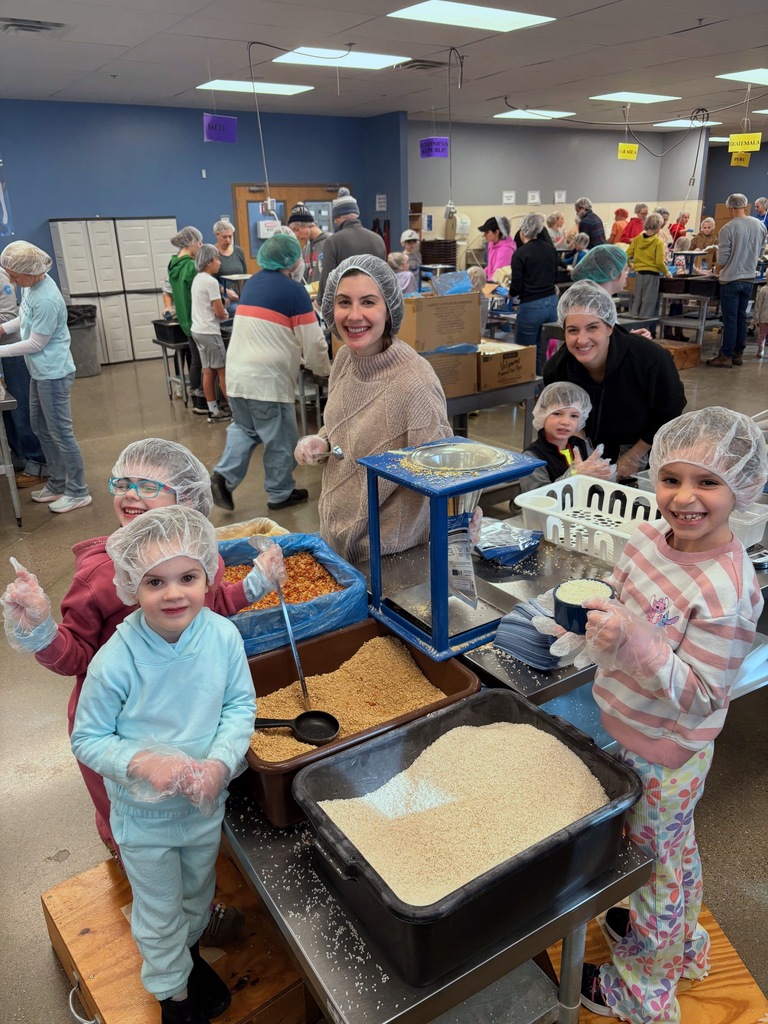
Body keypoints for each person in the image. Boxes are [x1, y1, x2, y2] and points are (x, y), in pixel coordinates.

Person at [1, 436, 283, 872]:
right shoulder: (101, 575)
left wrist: (255, 585)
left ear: (187, 498)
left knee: (184, 800)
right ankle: (127, 854)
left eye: (148, 485)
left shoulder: (199, 555)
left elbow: (213, 605)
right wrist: (41, 634)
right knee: (124, 805)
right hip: (117, 715)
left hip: (179, 703)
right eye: (123, 482)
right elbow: (77, 655)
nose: (130, 492)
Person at [573, 407, 768, 1021]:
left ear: (744, 486)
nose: (684, 498)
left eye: (707, 482)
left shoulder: (727, 591)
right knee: (674, 850)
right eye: (672, 478)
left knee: (647, 875)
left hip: (668, 751)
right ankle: (681, 948)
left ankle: (642, 994)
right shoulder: (644, 540)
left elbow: (703, 693)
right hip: (626, 726)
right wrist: (598, 625)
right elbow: (622, 602)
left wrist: (634, 640)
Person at [70, 505, 257, 1024]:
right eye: (155, 581)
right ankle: (172, 995)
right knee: (157, 909)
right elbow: (88, 738)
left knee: (198, 892)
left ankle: (190, 957)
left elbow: (239, 707)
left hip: (203, 805)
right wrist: (138, 761)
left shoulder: (222, 638)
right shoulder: (117, 659)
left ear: (208, 574)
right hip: (144, 818)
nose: (174, 594)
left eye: (187, 577)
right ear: (131, 586)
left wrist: (220, 762)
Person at [294, 254, 452, 562]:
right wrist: (322, 440)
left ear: (389, 309)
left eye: (368, 302)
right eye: (343, 302)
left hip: (390, 556)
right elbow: (342, 427)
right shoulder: (344, 360)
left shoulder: (414, 384)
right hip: (337, 541)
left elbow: (444, 476)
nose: (354, 315)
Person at [210, 233, 331, 513]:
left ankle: (223, 477)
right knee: (280, 439)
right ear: (289, 261)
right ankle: (280, 493)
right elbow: (313, 341)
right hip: (267, 383)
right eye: (298, 255)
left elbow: (270, 331)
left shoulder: (252, 284)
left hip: (238, 378)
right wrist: (325, 371)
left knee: (244, 429)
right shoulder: (294, 292)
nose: (301, 260)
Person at [544, 282, 686, 481]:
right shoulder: (558, 369)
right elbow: (566, 418)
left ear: (610, 327)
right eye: (573, 330)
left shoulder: (650, 359)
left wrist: (635, 455)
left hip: (646, 446)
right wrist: (585, 456)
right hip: (593, 447)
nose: (582, 340)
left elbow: (669, 411)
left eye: (592, 328)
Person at [0, 241, 91, 513]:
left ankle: (78, 490)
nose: (11, 281)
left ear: (29, 271)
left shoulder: (48, 298)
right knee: (41, 428)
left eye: (14, 276)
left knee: (61, 433)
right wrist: (4, 328)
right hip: (39, 371)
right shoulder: (32, 287)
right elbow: (24, 319)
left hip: (54, 374)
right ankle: (58, 482)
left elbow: (35, 344)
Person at [706, 193, 767, 368]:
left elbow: (723, 257)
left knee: (730, 319)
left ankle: (726, 355)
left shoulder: (728, 228)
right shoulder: (760, 226)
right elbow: (761, 251)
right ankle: (738, 353)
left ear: (730, 207)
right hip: (749, 278)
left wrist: (716, 271)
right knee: (741, 317)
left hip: (731, 279)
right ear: (745, 206)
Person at [0, 266, 48, 487]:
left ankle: (38, 463)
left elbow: (9, 317)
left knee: (22, 411)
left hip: (11, 353)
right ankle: (19, 457)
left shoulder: (2, 277)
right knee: (6, 413)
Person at [519, 382, 613, 492]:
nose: (566, 422)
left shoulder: (582, 445)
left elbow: (602, 486)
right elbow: (539, 498)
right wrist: (574, 476)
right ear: (542, 413)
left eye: (574, 416)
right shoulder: (531, 458)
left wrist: (603, 475)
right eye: (557, 413)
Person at [509, 212, 560, 373]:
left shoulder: (520, 253)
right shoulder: (550, 249)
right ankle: (540, 388)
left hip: (531, 307)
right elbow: (555, 276)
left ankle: (526, 393)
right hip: (552, 304)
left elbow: (516, 285)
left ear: (522, 232)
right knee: (541, 350)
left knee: (525, 352)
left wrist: (509, 294)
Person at [316, 188, 386, 303]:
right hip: (373, 305)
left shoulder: (333, 242)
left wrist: (319, 304)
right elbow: (384, 280)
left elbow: (327, 285)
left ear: (338, 217)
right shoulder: (378, 239)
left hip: (346, 306)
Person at [167, 226, 207, 415]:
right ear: (191, 243)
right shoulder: (191, 267)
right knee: (200, 363)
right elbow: (201, 294)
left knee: (195, 361)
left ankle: (196, 398)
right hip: (198, 320)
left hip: (186, 321)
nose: (200, 246)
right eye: (199, 243)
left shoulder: (174, 264)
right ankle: (200, 401)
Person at [189, 244, 230, 423]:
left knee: (207, 371)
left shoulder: (197, 279)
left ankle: (213, 409)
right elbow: (220, 313)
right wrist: (226, 309)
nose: (219, 263)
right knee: (223, 372)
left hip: (197, 330)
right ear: (208, 262)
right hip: (210, 332)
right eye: (217, 259)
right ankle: (238, 413)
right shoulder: (211, 282)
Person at [625, 212, 673, 318]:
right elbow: (659, 262)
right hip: (652, 275)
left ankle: (634, 326)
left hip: (639, 274)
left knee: (637, 301)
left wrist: (630, 265)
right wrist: (667, 272)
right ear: (658, 226)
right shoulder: (658, 242)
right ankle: (644, 328)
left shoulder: (637, 239)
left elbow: (626, 255)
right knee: (648, 303)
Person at [287, 203, 329, 285]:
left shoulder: (330, 243)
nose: (297, 236)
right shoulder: (306, 249)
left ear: (308, 224)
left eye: (297, 230)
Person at [211, 219, 247, 310]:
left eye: (230, 237)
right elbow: (210, 280)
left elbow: (245, 275)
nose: (228, 240)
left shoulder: (238, 251)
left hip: (240, 297)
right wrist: (225, 291)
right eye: (224, 237)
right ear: (217, 235)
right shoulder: (212, 253)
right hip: (222, 300)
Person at [477, 215, 516, 282]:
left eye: (487, 232)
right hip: (491, 282)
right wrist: (480, 275)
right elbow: (490, 268)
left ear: (497, 232)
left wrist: (486, 282)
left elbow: (498, 276)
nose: (484, 235)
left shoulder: (506, 250)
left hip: (499, 286)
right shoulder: (491, 244)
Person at [754, 281, 768, 358]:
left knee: (762, 335)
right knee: (762, 335)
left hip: (763, 318)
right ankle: (761, 349)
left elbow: (758, 305)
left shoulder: (763, 290)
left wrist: (756, 318)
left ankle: (760, 349)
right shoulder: (763, 290)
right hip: (764, 318)